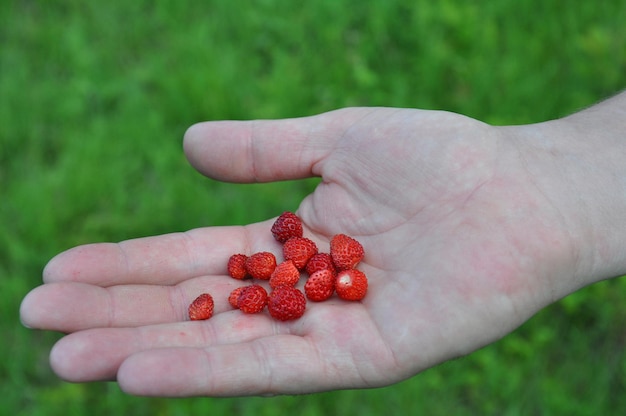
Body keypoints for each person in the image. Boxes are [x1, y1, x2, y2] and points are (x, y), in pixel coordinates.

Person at [19, 91, 626, 397]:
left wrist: (543, 183)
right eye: (300, 274)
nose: (310, 274)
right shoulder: (290, 271)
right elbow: (283, 276)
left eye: (311, 275)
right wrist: (557, 182)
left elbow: (295, 274)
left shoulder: (311, 268)